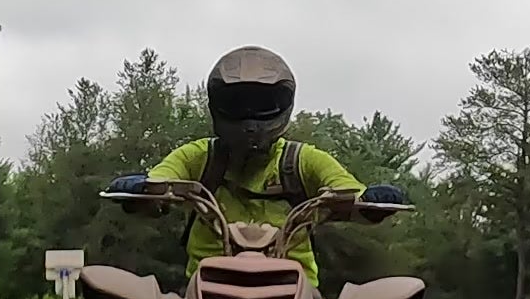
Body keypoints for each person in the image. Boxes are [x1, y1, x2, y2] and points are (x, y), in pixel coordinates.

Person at [110, 47, 409, 284]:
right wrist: (142, 192)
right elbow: (161, 180)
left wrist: (371, 201)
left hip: (296, 288)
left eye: (262, 104)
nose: (250, 116)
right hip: (205, 286)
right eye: (238, 103)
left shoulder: (301, 160)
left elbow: (349, 192)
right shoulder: (198, 157)